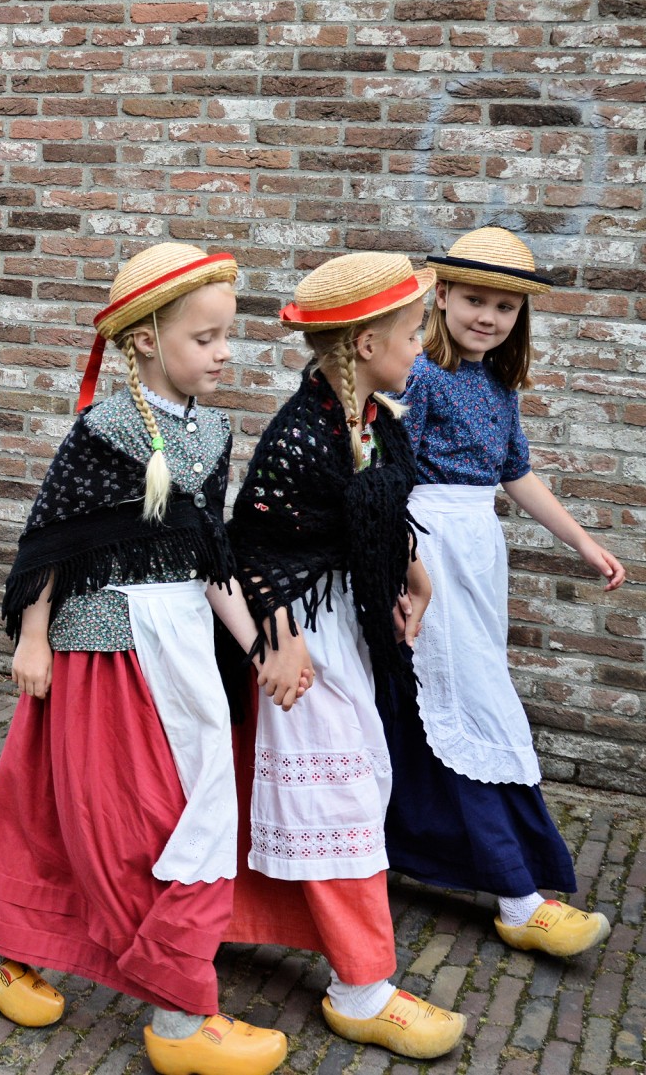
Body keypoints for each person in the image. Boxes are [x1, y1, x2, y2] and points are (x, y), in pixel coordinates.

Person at [0, 244, 301, 1075]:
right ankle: (179, 1014)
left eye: (227, 337)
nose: (223, 354)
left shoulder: (215, 430)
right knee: (131, 820)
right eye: (206, 338)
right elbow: (52, 535)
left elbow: (204, 550)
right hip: (103, 646)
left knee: (78, 808)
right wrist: (33, 636)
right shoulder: (103, 428)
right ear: (145, 339)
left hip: (182, 645)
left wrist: (256, 647)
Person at [222, 251, 467, 1060]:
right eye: (410, 334)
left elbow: (382, 517)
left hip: (344, 630)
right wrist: (278, 644)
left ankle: (218, 921)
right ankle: (362, 986)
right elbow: (248, 547)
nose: (420, 349)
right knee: (341, 802)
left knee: (331, 789)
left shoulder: (371, 421)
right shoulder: (300, 435)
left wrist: (416, 575)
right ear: (364, 344)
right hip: (302, 639)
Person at [384, 226, 623, 956]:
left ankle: (420, 851)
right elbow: (388, 474)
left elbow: (514, 472)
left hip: (479, 550)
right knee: (461, 697)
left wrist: (581, 539)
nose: (488, 317)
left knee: (453, 693)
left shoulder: (498, 383)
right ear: (442, 295)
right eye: (474, 300)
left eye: (505, 307)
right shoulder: (419, 373)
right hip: (429, 545)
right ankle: (518, 893)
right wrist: (402, 566)